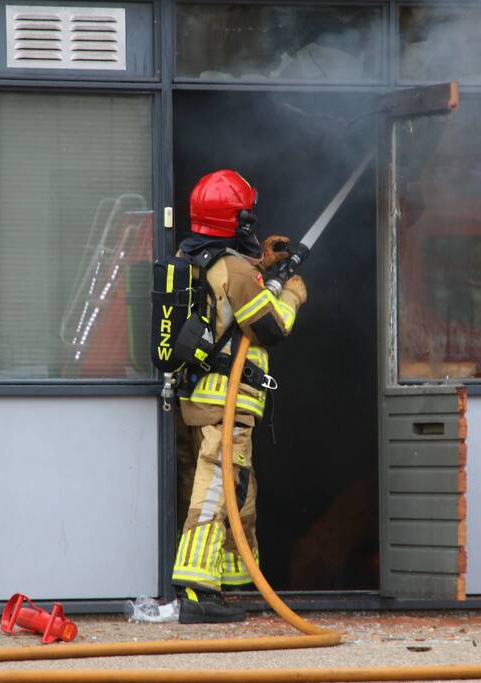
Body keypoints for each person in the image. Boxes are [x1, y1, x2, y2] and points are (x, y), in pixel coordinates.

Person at [172, 169, 307, 624]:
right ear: (238, 219)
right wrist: (291, 293)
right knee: (215, 490)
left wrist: (263, 267)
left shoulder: (196, 256)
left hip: (199, 398)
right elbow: (270, 327)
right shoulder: (234, 269)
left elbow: (227, 307)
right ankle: (194, 589)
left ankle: (227, 584)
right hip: (228, 399)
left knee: (232, 489)